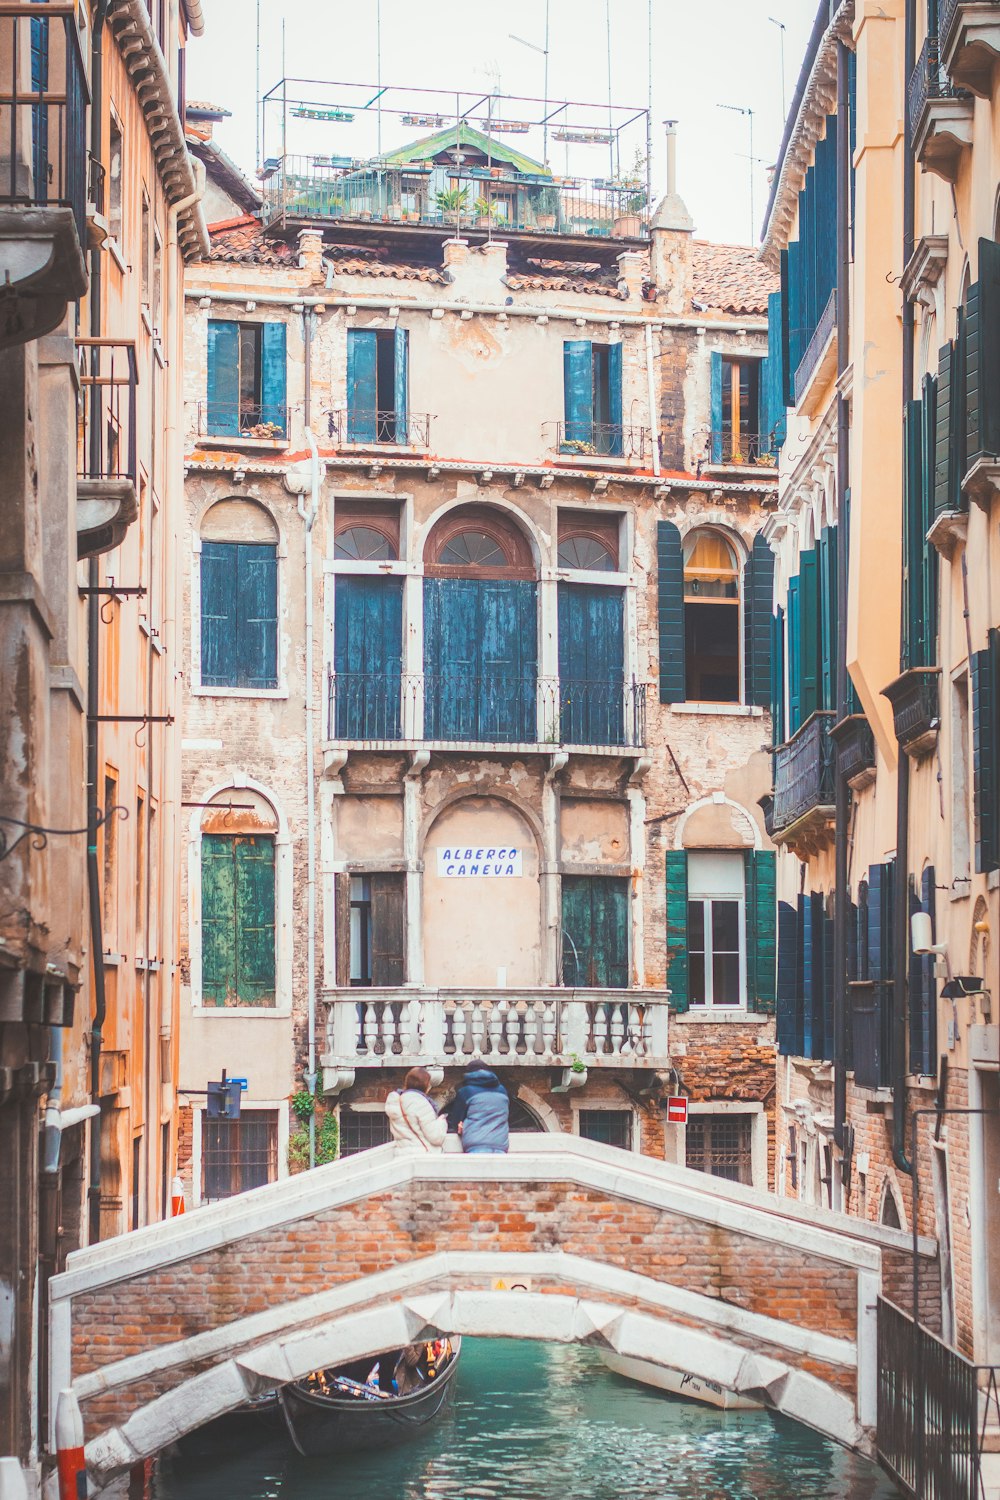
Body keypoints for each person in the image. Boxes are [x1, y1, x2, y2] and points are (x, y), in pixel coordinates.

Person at [444, 1063, 509, 1154]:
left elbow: (456, 1121)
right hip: (500, 1143)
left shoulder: (466, 1092)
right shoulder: (502, 1090)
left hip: (476, 1143)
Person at [385, 1067, 448, 1152]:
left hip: (402, 1154)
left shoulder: (396, 1101)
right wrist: (442, 1121)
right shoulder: (420, 1103)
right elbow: (435, 1137)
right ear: (426, 1085)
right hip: (422, 1155)